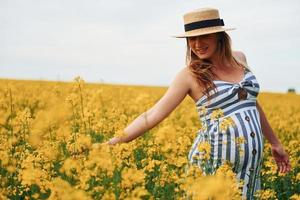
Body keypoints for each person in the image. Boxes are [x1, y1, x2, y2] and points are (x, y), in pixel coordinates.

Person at [105, 7, 291, 199]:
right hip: (212, 166)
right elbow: (152, 115)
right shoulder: (190, 75)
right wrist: (112, 144)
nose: (197, 44)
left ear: (219, 36)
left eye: (204, 37)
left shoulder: (240, 58)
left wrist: (275, 143)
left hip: (249, 167)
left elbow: (251, 104)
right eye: (191, 39)